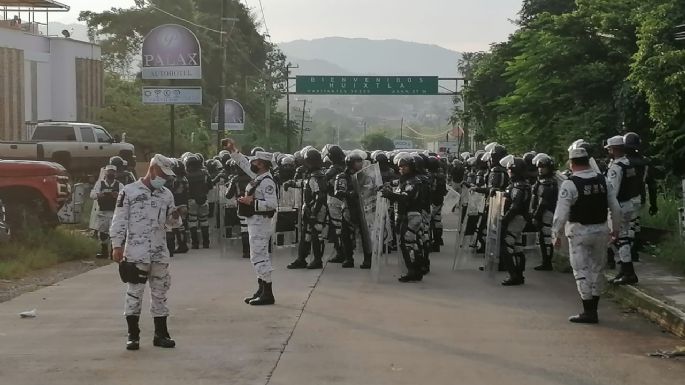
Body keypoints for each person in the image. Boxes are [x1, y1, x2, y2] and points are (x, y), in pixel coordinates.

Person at [110, 154, 182, 350]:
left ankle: (161, 334)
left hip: (159, 252)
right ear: (153, 169)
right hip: (136, 252)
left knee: (160, 293)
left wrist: (175, 216)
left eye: (167, 176)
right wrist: (116, 245)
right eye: (162, 174)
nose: (165, 178)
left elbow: (171, 223)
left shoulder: (166, 194)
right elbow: (119, 220)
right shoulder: (129, 192)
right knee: (134, 294)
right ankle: (133, 335)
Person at [552, 147, 620, 323]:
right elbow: (615, 208)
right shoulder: (604, 181)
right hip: (601, 230)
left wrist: (556, 234)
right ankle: (594, 309)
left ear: (571, 163)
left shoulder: (570, 184)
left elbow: (561, 214)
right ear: (588, 161)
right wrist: (616, 229)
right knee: (597, 269)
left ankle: (588, 310)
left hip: (579, 232)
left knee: (581, 270)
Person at [224, 138, 279, 306]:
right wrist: (233, 150)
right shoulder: (259, 176)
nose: (252, 163)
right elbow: (244, 164)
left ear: (261, 164)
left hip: (261, 223)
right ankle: (261, 288)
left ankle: (268, 292)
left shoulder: (267, 181)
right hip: (254, 221)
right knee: (256, 255)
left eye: (255, 161)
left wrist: (251, 202)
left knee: (260, 256)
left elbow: (272, 204)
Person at [605, 136, 641, 285]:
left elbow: (613, 190)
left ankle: (629, 272)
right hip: (628, 204)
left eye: (610, 148)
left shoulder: (617, 167)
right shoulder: (629, 164)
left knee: (620, 238)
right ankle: (623, 270)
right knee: (620, 238)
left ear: (615, 149)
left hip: (618, 206)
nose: (609, 151)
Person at [382, 153, 424, 282]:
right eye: (400, 167)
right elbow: (395, 184)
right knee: (409, 244)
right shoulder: (404, 180)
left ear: (412, 166)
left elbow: (407, 197)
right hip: (404, 215)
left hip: (411, 215)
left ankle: (413, 271)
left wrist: (390, 195)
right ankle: (416, 271)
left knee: (408, 244)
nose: (402, 169)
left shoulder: (414, 181)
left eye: (405, 166)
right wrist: (384, 186)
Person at [285, 148, 328, 269]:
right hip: (310, 208)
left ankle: (317, 260)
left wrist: (314, 212)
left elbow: (320, 196)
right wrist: (291, 183)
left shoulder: (317, 176)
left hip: (316, 209)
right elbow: (305, 185)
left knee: (315, 235)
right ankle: (301, 259)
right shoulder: (312, 176)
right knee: (306, 235)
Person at [334, 151, 370, 269]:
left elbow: (370, 188)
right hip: (349, 208)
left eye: (361, 161)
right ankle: (348, 258)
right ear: (350, 163)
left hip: (363, 208)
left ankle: (368, 259)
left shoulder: (364, 175)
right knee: (346, 235)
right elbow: (338, 192)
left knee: (365, 235)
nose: (360, 164)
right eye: (357, 162)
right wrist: (350, 193)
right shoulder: (342, 176)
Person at [500, 156, 531, 286]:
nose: (509, 172)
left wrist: (505, 220)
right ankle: (519, 275)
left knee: (506, 247)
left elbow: (515, 206)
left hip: (515, 219)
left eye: (510, 170)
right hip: (521, 219)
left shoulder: (518, 187)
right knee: (518, 248)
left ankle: (513, 275)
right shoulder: (524, 185)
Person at [530, 154, 558, 271]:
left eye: (543, 167)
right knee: (542, 237)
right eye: (539, 167)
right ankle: (545, 261)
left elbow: (543, 202)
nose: (540, 169)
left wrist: (536, 215)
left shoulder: (548, 183)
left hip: (546, 212)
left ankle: (547, 262)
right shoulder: (542, 180)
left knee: (546, 237)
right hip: (542, 211)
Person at [90, 165, 124, 259]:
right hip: (103, 213)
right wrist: (99, 195)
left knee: (114, 233)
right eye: (109, 172)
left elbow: (125, 197)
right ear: (105, 173)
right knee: (103, 233)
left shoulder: (119, 185)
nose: (110, 174)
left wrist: (118, 196)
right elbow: (92, 195)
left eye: (112, 172)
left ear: (115, 174)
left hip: (115, 213)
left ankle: (114, 253)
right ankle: (104, 252)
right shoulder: (100, 184)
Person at [185, 154, 213, 249]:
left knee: (192, 222)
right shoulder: (205, 173)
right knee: (204, 221)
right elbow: (210, 185)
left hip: (191, 200)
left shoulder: (186, 175)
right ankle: (206, 243)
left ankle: (195, 243)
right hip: (203, 199)